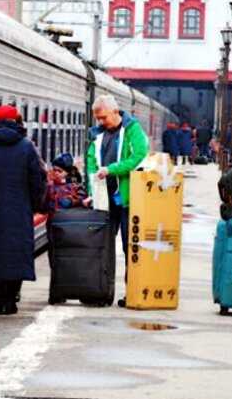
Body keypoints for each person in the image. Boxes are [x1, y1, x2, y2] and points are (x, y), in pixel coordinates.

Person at [0, 105, 47, 315]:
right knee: (16, 253)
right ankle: (11, 300)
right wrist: (32, 205)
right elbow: (36, 181)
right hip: (20, 210)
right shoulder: (26, 147)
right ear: (14, 122)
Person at [86, 95, 149, 307]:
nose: (100, 122)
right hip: (104, 200)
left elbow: (138, 155)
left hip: (127, 200)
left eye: (103, 117)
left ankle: (131, 292)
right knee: (101, 246)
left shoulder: (133, 130)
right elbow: (91, 162)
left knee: (129, 246)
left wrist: (111, 169)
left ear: (115, 111)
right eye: (98, 119)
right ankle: (101, 291)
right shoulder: (97, 135)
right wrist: (91, 189)